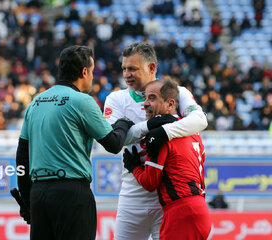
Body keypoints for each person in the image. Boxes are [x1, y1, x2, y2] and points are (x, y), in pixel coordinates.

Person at [16, 45, 134, 240]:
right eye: (93, 71)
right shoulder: (82, 101)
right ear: (84, 71)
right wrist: (122, 124)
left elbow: (21, 159)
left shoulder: (35, 103)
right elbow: (113, 145)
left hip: (39, 195)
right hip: (71, 193)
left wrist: (27, 201)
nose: (93, 77)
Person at [103, 42, 207, 240]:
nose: (126, 74)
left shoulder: (178, 92)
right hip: (132, 194)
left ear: (151, 68)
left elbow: (200, 120)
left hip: (168, 197)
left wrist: (163, 132)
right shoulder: (116, 99)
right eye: (124, 68)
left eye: (133, 69)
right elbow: (113, 141)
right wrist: (150, 127)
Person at [123, 79, 211, 240]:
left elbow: (150, 182)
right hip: (201, 210)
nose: (145, 104)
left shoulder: (161, 134)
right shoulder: (192, 128)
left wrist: (134, 166)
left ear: (170, 104)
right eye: (145, 98)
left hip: (180, 213)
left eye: (152, 98)